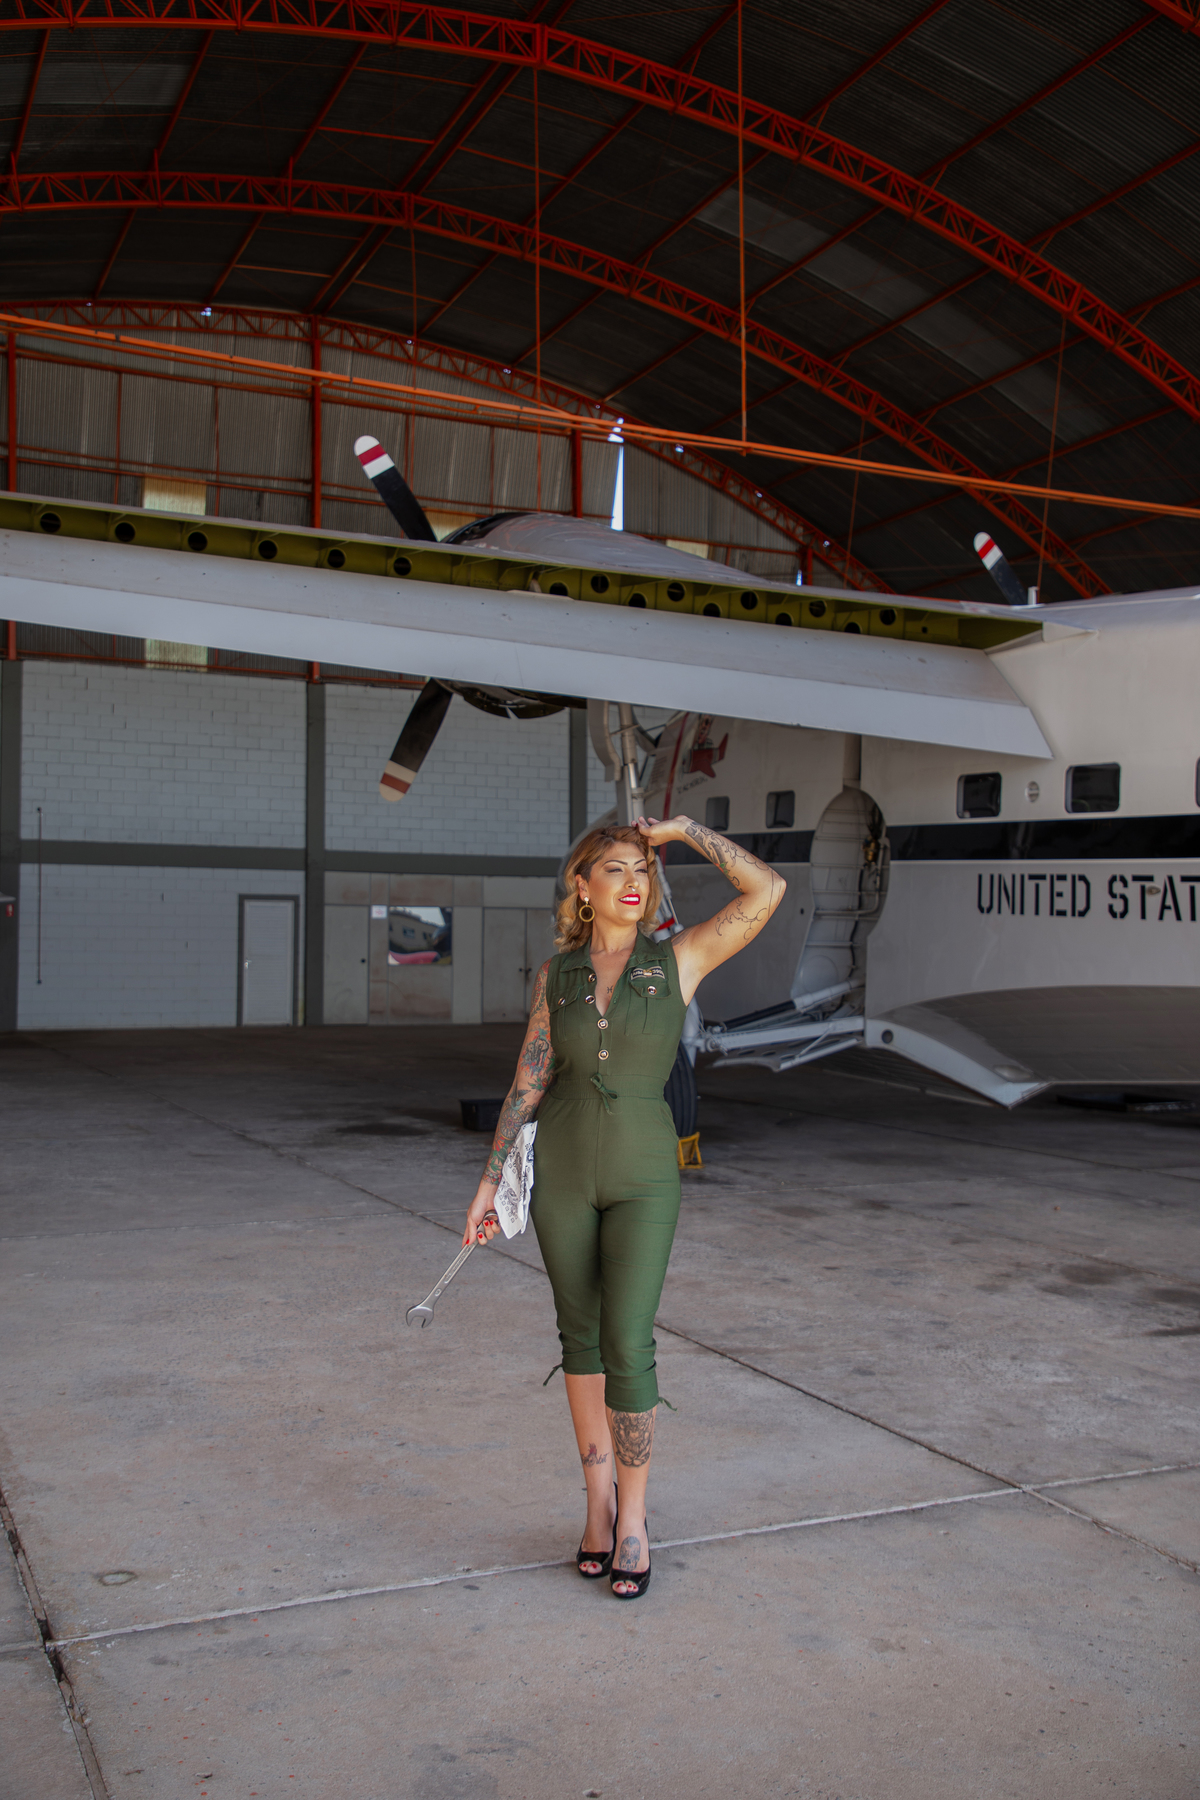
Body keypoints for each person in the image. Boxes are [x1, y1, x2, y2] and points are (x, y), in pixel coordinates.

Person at [463, 813, 786, 1598]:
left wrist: (682, 830)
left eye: (644, 869)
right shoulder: (557, 977)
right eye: (616, 869)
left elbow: (767, 890)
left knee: (628, 1341)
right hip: (563, 1171)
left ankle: (635, 1519)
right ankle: (598, 1505)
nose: (635, 882)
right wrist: (489, 1183)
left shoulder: (679, 959)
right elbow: (528, 1080)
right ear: (583, 886)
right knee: (580, 1339)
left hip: (645, 1176)